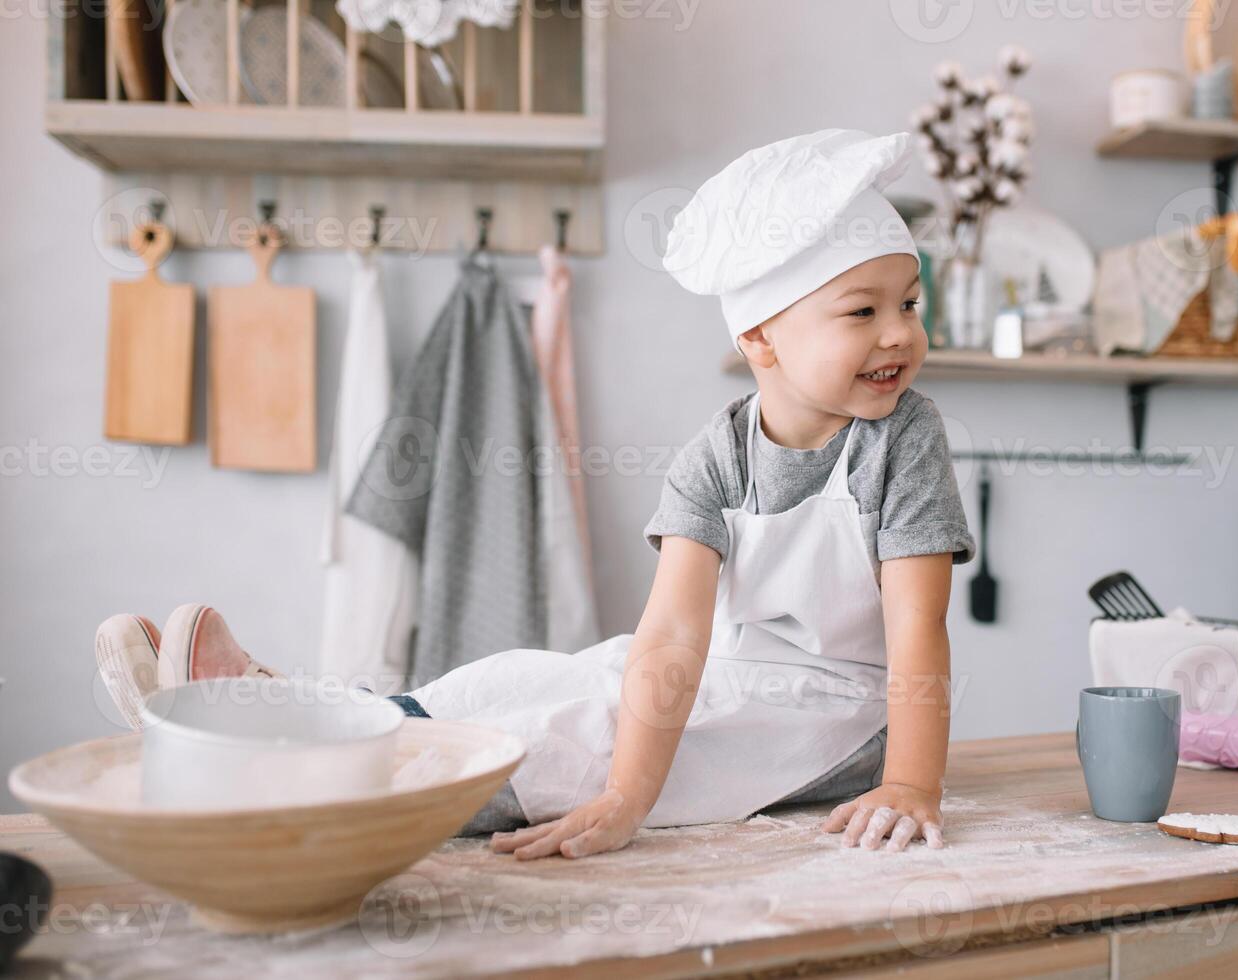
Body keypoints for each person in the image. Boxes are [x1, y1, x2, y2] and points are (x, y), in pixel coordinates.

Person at [95, 128, 975, 860]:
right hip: (734, 672)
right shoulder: (715, 457)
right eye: (863, 312)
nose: (900, 332)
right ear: (762, 339)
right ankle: (300, 719)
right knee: (521, 676)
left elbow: (915, 630)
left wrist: (909, 781)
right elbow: (671, 634)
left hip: (843, 714)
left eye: (908, 302)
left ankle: (277, 756)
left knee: (576, 730)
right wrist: (633, 791)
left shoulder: (904, 443)